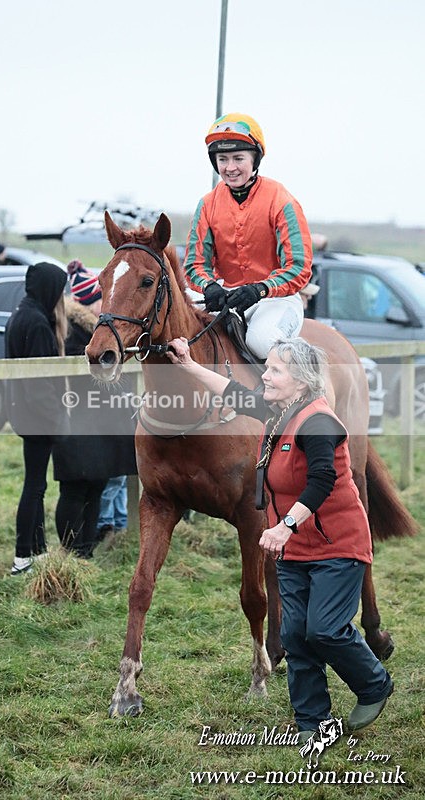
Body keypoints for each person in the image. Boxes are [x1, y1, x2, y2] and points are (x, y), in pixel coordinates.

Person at [166, 335, 393, 742]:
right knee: (293, 635)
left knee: (323, 629)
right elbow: (233, 392)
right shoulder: (278, 410)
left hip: (336, 544)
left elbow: (322, 480)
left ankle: (374, 684)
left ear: (301, 381)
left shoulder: (319, 422)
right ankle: (313, 723)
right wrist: (188, 365)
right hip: (293, 548)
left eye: (274, 370)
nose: (264, 376)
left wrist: (283, 525)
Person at [183, 113, 313, 359]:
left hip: (275, 300)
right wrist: (208, 286)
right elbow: (194, 265)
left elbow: (299, 267)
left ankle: (289, 394)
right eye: (223, 159)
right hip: (225, 296)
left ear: (255, 159)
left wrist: (261, 289)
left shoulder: (281, 200)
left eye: (238, 158)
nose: (230, 168)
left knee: (261, 341)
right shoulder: (207, 205)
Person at [52, 262, 137, 558]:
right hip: (81, 423)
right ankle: (71, 550)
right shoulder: (76, 333)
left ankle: (85, 550)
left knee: (96, 488)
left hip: (101, 424)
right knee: (76, 491)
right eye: (102, 298)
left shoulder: (101, 332)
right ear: (89, 303)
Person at [5, 262, 70, 575]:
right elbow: (41, 384)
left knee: (36, 483)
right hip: (37, 417)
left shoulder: (21, 315)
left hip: (23, 413)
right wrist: (57, 420)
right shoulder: (39, 325)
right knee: (34, 487)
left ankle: (38, 551)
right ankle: (21, 558)